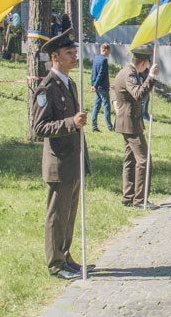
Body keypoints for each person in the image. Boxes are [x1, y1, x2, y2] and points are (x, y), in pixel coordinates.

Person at [31, 30, 89, 279]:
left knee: (70, 212)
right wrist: (70, 122)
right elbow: (39, 128)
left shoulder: (69, 83)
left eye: (74, 52)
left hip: (73, 159)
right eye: (69, 53)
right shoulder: (47, 88)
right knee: (57, 214)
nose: (74, 56)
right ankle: (55, 262)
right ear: (55, 56)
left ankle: (66, 255)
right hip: (59, 161)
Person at [112, 46, 159, 207]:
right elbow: (138, 94)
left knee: (130, 160)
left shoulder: (125, 71)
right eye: (147, 65)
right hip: (130, 123)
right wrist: (151, 76)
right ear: (144, 63)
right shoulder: (130, 74)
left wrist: (114, 101)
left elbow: (113, 86)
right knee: (143, 160)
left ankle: (128, 195)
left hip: (127, 122)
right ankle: (140, 199)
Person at [90, 43, 113, 132]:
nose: (110, 53)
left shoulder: (96, 58)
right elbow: (100, 74)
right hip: (102, 86)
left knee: (97, 105)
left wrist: (93, 84)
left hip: (97, 86)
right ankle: (109, 126)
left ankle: (94, 125)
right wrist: (95, 85)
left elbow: (93, 72)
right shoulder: (104, 60)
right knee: (107, 106)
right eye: (109, 51)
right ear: (105, 50)